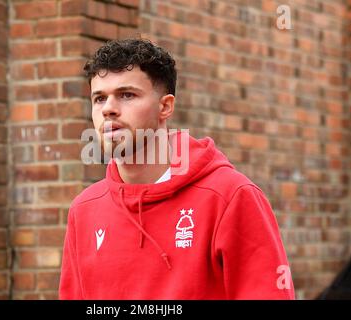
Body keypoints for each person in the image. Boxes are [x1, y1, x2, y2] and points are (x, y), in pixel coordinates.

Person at [58, 38, 295, 300]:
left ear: (165, 106)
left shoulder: (230, 196)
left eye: (127, 95)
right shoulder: (84, 210)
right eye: (99, 98)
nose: (109, 110)